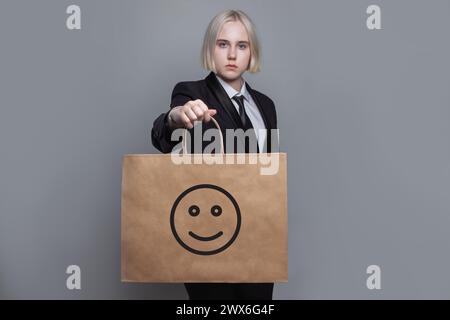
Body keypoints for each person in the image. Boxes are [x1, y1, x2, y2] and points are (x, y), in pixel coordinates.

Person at [151, 9, 278, 300]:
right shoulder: (191, 92)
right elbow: (163, 135)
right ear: (211, 49)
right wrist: (177, 115)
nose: (232, 54)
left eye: (241, 46)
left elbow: (269, 171)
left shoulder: (266, 106)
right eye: (223, 44)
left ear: (251, 52)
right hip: (209, 233)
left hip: (258, 237)